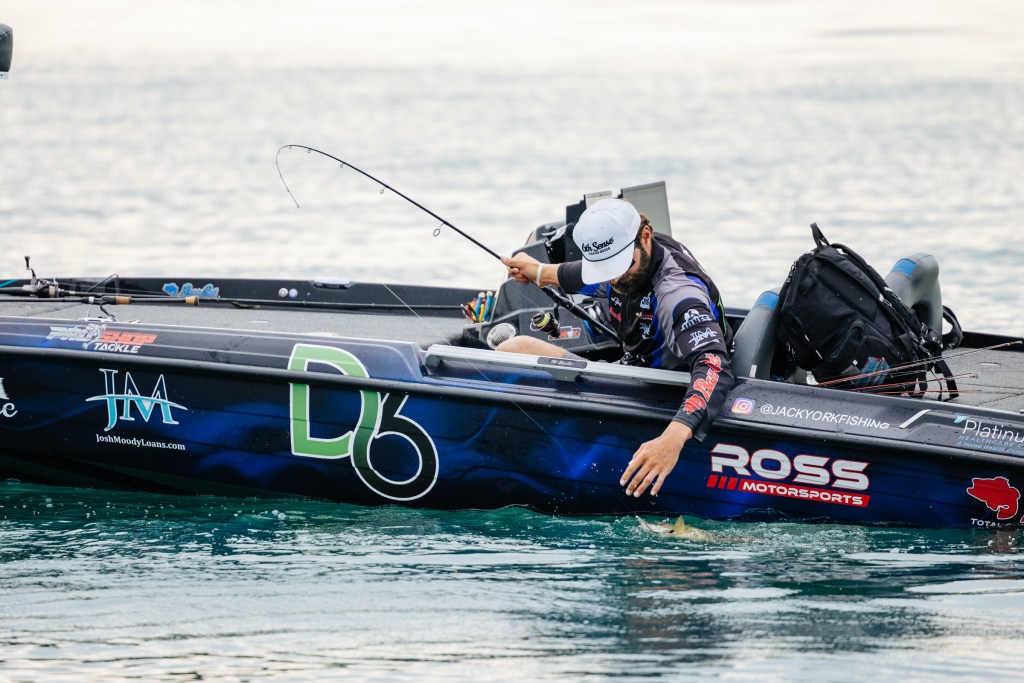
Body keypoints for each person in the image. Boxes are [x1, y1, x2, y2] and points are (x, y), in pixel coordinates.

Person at [500, 198, 734, 498]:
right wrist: (537, 272)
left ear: (645, 236)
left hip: (662, 396)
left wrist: (674, 437)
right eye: (605, 268)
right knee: (513, 349)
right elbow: (580, 276)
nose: (614, 277)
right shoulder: (638, 256)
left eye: (619, 265)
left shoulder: (677, 295)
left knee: (516, 349)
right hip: (633, 371)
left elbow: (714, 365)